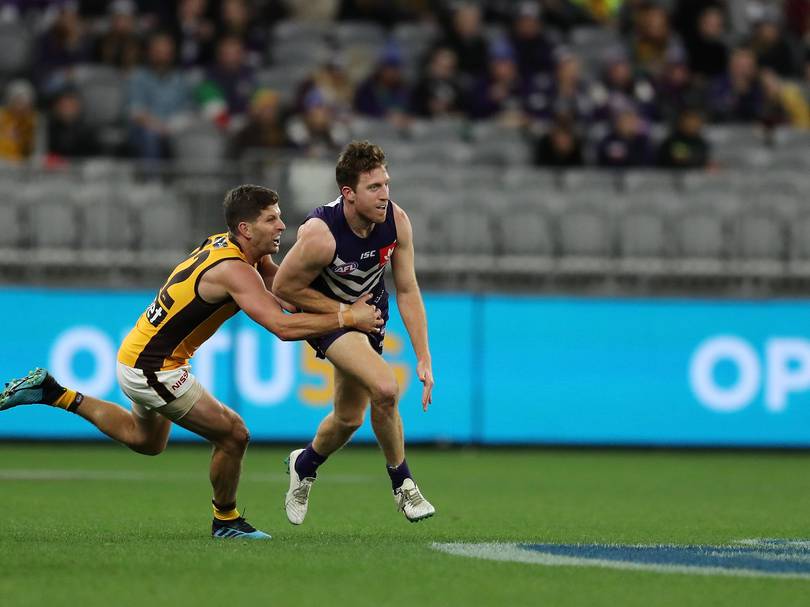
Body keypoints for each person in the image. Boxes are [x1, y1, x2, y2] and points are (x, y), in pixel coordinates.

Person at [0, 185, 383, 540]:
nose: (283, 225)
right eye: (271, 219)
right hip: (154, 367)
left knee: (146, 441)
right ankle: (226, 520)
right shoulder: (233, 270)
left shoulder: (233, 247)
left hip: (139, 352)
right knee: (234, 434)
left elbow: (281, 289)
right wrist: (347, 317)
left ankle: (52, 392)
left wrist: (326, 301)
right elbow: (282, 325)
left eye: (280, 216)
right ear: (246, 228)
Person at [272, 140, 436, 525]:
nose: (385, 195)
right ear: (348, 193)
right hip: (332, 318)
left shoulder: (397, 222)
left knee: (348, 419)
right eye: (374, 188)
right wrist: (347, 314)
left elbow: (408, 289)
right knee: (385, 388)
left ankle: (305, 463)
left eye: (386, 184)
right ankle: (404, 485)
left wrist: (423, 355)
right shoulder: (320, 234)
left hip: (370, 316)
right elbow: (283, 288)